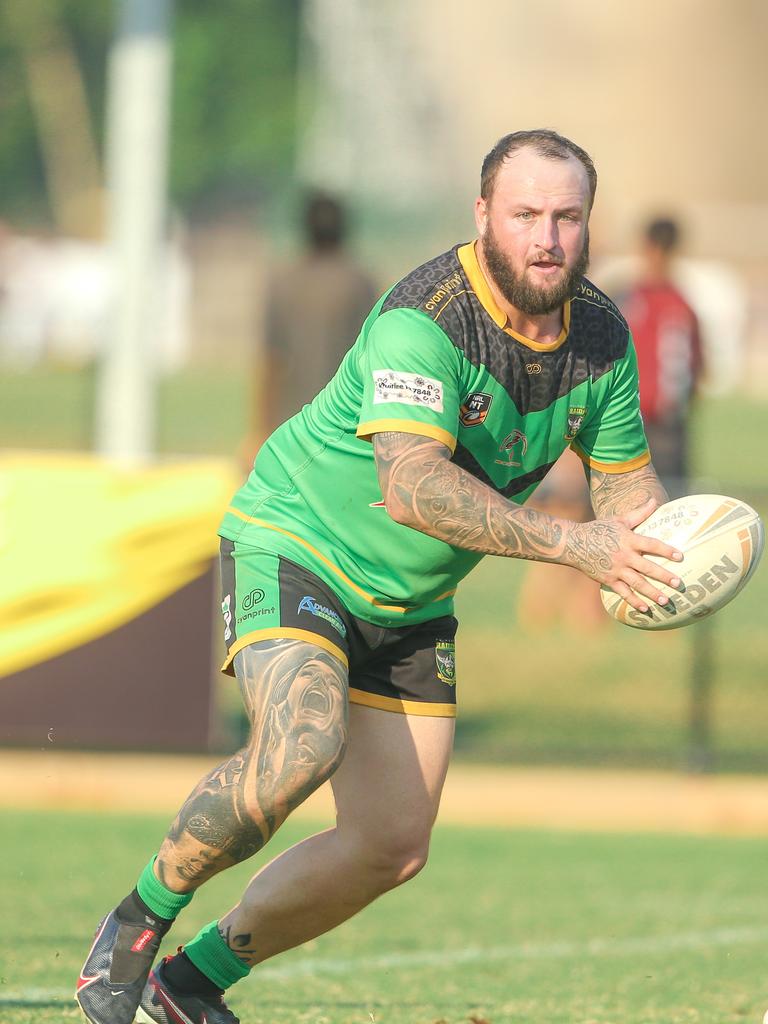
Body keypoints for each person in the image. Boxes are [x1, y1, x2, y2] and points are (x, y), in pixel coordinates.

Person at [76, 129, 685, 1024]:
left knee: (391, 847)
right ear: (484, 216)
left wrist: (671, 550)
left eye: (567, 217)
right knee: (299, 748)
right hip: (300, 544)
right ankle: (135, 926)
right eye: (525, 216)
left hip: (410, 603)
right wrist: (576, 548)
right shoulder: (426, 318)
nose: (547, 238)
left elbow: (626, 484)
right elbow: (412, 486)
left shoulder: (600, 336)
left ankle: (189, 983)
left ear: (591, 224)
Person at [240, 191, 378, 470]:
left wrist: (258, 430)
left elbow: (270, 363)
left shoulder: (284, 283)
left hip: (292, 426)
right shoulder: (359, 283)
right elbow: (376, 357)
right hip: (347, 422)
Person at [617, 217, 704, 496]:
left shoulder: (625, 300)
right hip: (640, 421)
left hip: (648, 423)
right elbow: (698, 371)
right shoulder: (680, 305)